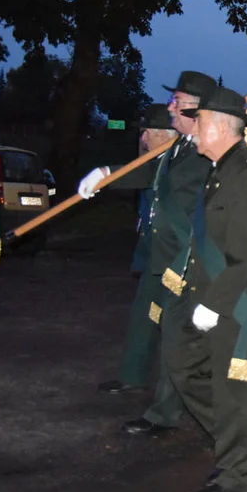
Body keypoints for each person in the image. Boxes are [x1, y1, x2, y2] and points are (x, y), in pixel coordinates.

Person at [78, 72, 216, 438]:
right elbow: (151, 171)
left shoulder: (207, 149)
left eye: (178, 100)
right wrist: (107, 173)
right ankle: (168, 410)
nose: (170, 106)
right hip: (169, 258)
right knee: (178, 339)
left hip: (193, 262)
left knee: (183, 341)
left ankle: (174, 415)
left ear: (197, 108)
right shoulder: (183, 146)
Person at [173, 86, 247, 492]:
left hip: (236, 304)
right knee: (182, 368)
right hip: (208, 297)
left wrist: (213, 305)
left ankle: (237, 473)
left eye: (199, 123)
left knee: (231, 390)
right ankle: (238, 442)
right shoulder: (221, 168)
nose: (194, 131)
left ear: (220, 127)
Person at [94, 103, 178, 394]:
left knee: (188, 328)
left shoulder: (180, 163)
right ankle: (132, 374)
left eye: (148, 133)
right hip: (153, 253)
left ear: (167, 135)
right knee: (143, 315)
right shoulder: (152, 163)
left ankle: (246, 390)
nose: (143, 140)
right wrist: (104, 175)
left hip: (179, 257)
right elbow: (142, 177)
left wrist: (108, 174)